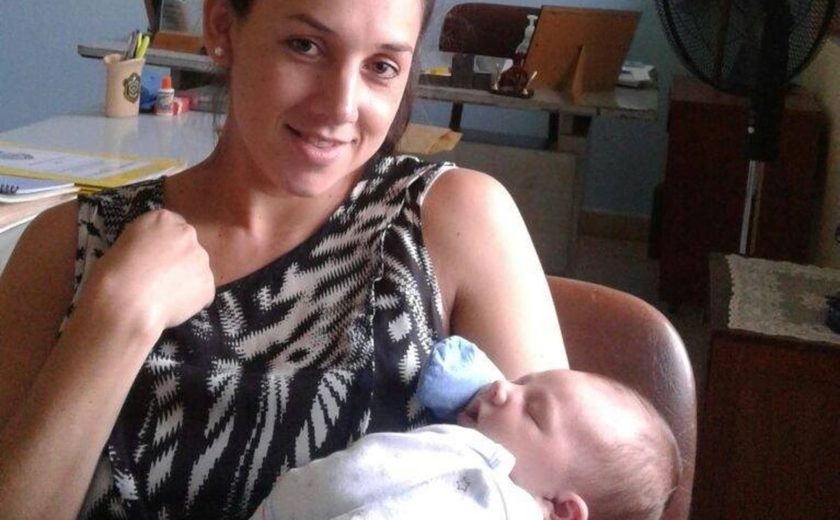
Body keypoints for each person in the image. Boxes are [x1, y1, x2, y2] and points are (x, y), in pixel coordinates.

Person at [0, 0, 566, 518]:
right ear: (223, 28)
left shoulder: (454, 219)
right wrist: (115, 321)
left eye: (382, 67)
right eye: (306, 46)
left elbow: (566, 481)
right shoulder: (72, 244)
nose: (341, 107)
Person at [249, 368, 682, 520]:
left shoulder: (492, 503)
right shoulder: (483, 465)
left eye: (532, 412)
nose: (501, 388)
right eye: (522, 381)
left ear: (563, 510)